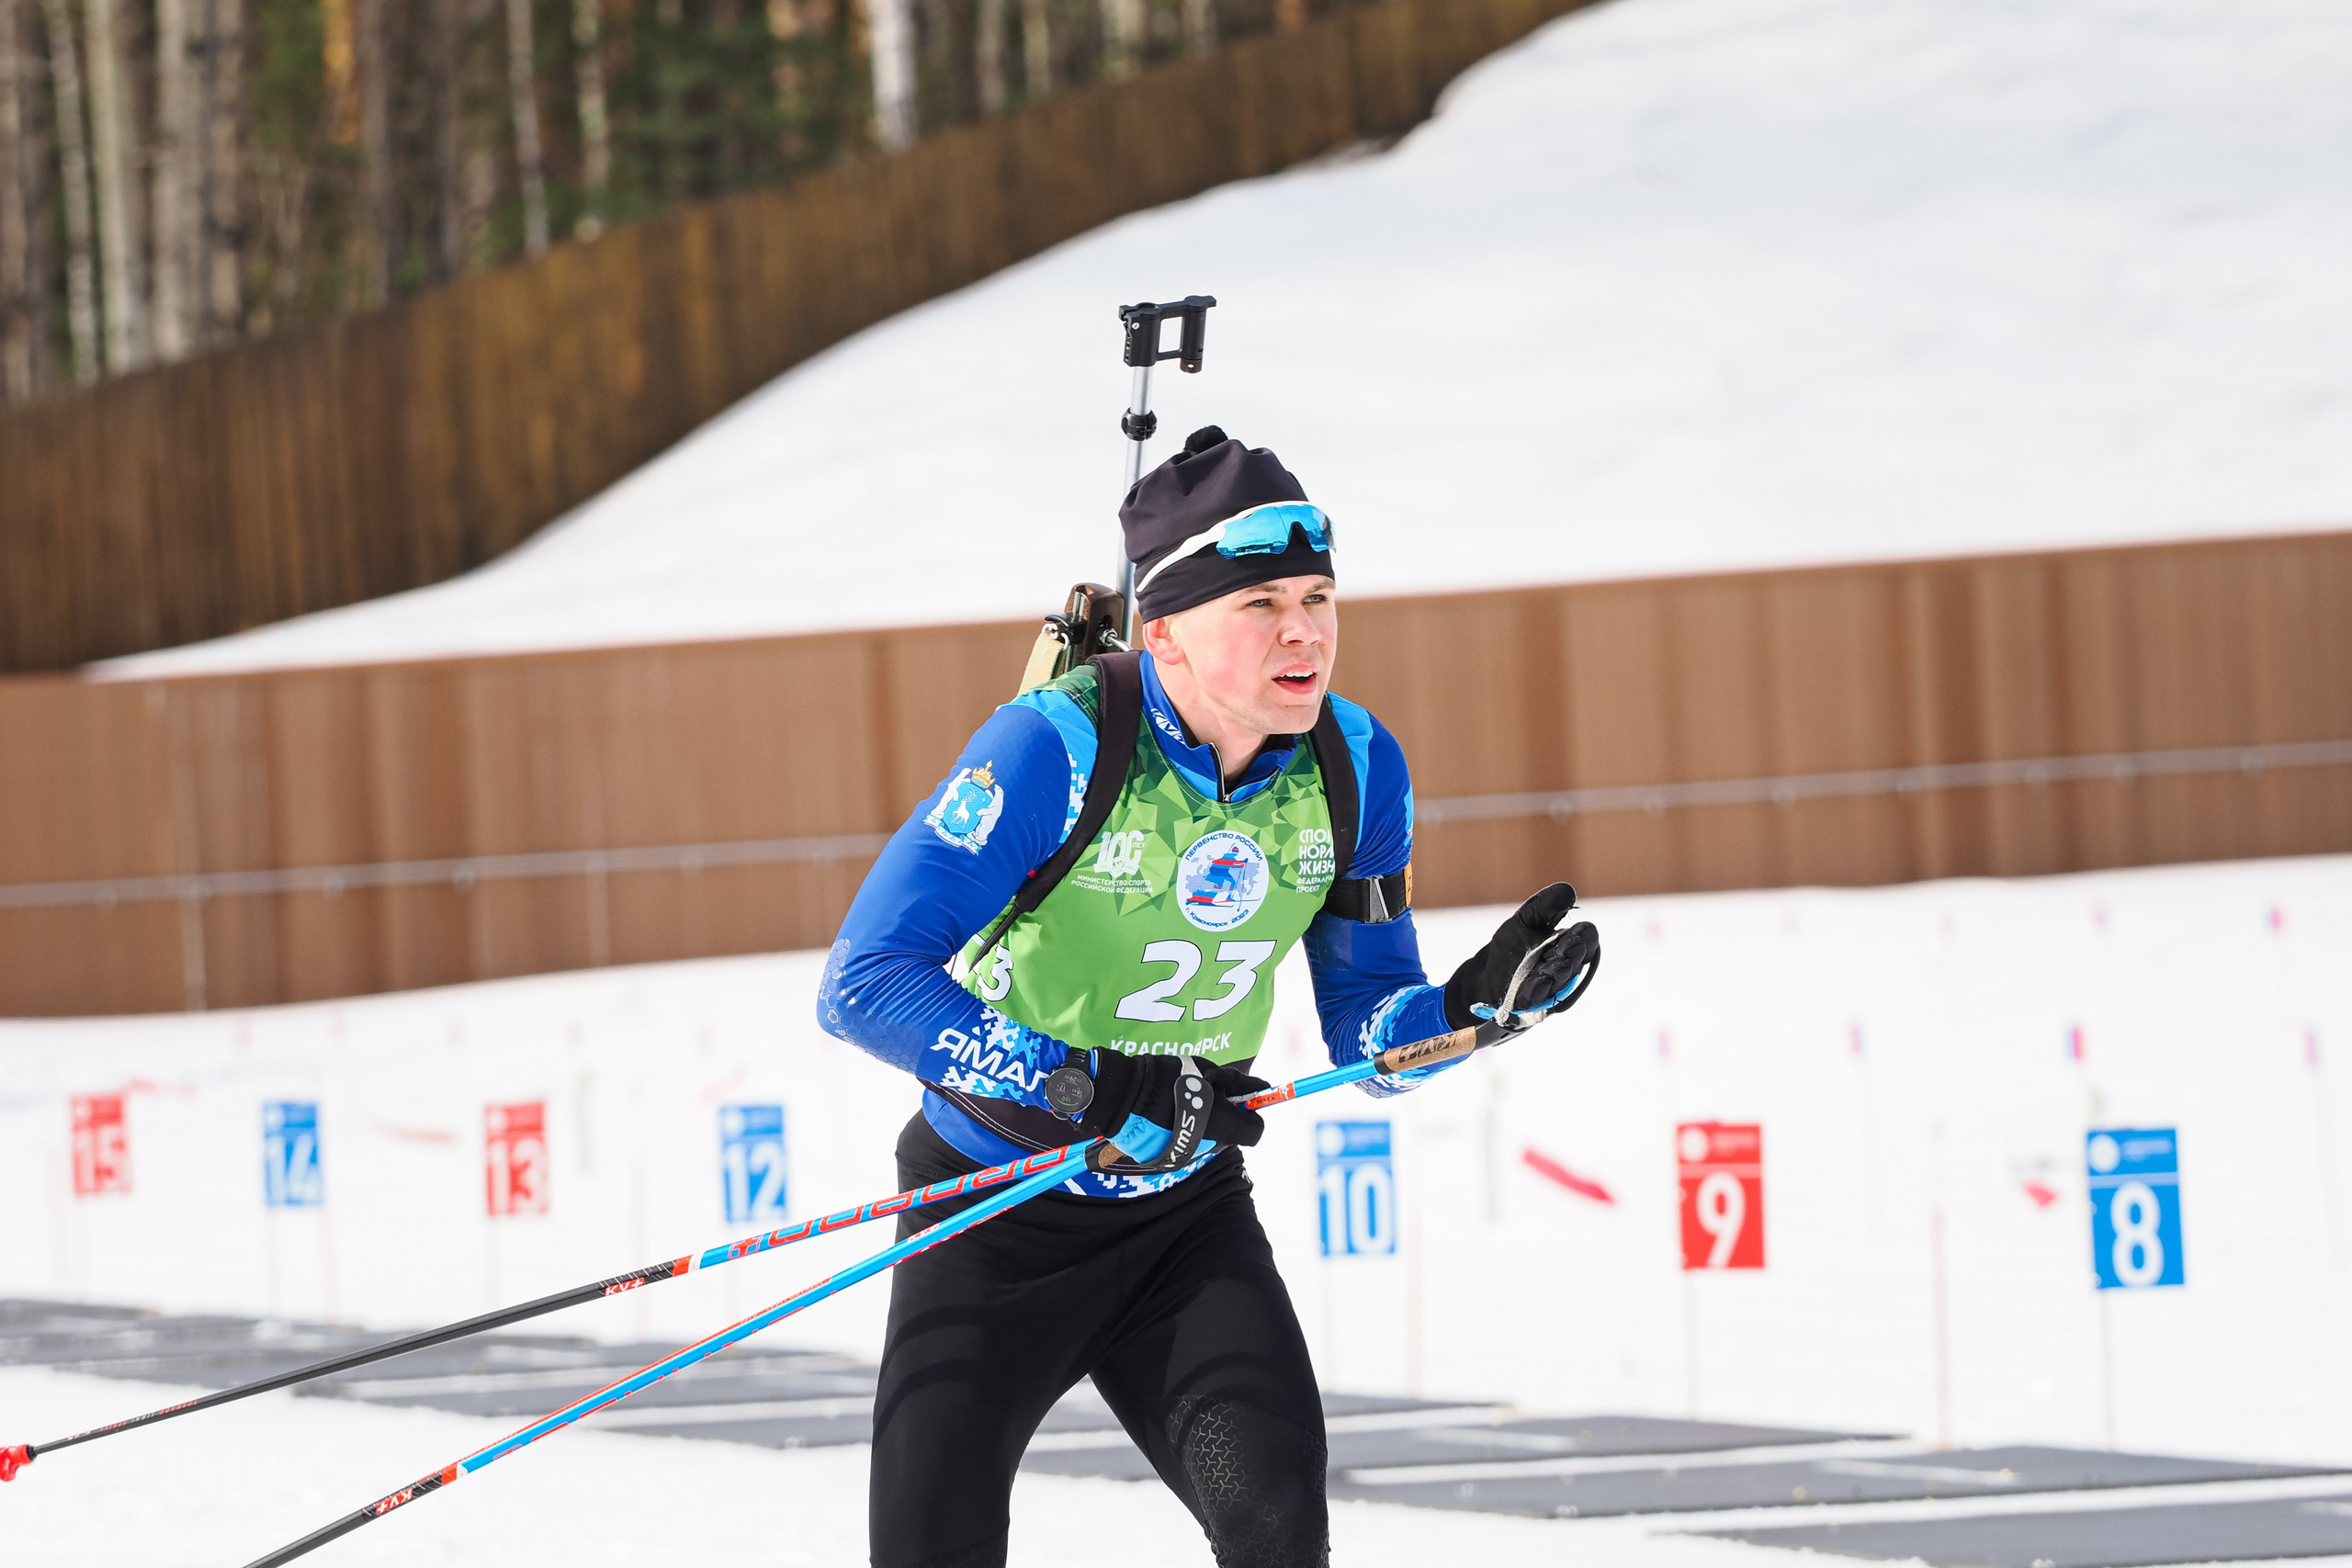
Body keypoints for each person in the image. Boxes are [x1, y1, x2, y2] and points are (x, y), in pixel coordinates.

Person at [818, 426, 1600, 1568]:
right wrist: (1085, 1085)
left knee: (1277, 1529)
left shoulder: (1355, 765)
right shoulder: (1054, 747)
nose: (1304, 631)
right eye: (1260, 604)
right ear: (1166, 632)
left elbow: (1371, 1034)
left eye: (1318, 597)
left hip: (1181, 1218)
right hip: (991, 1209)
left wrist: (1468, 1014)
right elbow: (864, 983)